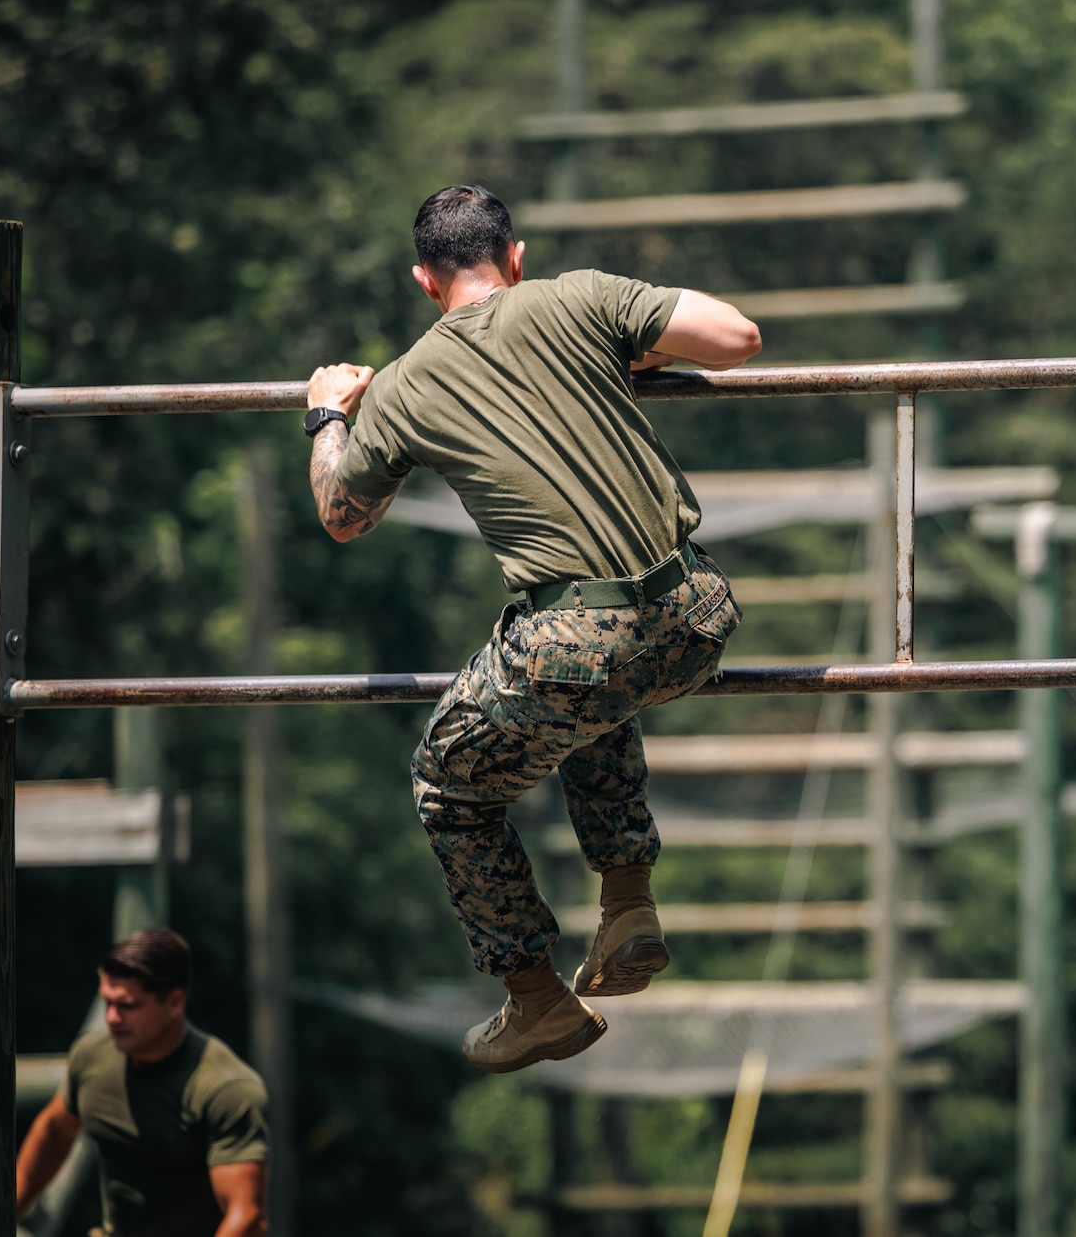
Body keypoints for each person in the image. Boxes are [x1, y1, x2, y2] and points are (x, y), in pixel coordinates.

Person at [305, 184, 762, 1073]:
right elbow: (737, 339)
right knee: (579, 683)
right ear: (515, 258)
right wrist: (617, 357)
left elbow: (341, 515)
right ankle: (628, 901)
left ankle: (534, 997)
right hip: (698, 612)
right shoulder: (579, 297)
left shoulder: (402, 385)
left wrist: (329, 413)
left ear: (424, 281)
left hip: (579, 644)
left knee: (449, 780)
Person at [16, 930, 269, 1236]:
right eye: (106, 1002)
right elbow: (55, 1132)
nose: (111, 1017)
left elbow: (245, 1218)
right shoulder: (92, 1058)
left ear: (175, 1003)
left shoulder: (225, 1088)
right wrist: (3, 1212)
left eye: (127, 1006)